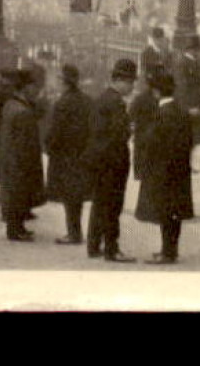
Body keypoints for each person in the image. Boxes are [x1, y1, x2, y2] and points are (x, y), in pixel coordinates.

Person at [135, 73, 195, 265]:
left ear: (156, 92)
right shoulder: (179, 111)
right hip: (178, 170)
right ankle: (170, 250)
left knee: (165, 212)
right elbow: (188, 141)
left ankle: (167, 253)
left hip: (162, 171)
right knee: (174, 213)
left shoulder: (162, 114)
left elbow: (151, 142)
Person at [82, 58, 138, 263]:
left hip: (99, 159)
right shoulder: (115, 103)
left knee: (99, 203)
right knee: (112, 206)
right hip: (112, 161)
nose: (132, 86)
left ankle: (94, 245)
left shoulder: (102, 98)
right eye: (130, 82)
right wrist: (129, 129)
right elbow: (119, 133)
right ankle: (112, 249)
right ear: (119, 80)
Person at [43, 64, 93, 245]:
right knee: (77, 195)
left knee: (69, 196)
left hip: (65, 156)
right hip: (82, 154)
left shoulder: (62, 103)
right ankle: (76, 231)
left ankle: (73, 233)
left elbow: (55, 132)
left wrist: (48, 147)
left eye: (58, 79)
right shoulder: (87, 100)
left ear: (64, 82)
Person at [0, 69, 46, 242]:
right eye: (33, 86)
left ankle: (18, 227)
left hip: (10, 157)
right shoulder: (22, 111)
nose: (36, 90)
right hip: (20, 159)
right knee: (19, 192)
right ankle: (15, 229)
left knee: (15, 192)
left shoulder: (11, 104)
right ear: (25, 87)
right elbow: (25, 142)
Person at [174, 36, 200, 144]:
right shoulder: (183, 63)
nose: (198, 52)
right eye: (197, 49)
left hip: (197, 102)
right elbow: (182, 86)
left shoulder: (194, 62)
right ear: (192, 49)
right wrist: (188, 106)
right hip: (191, 103)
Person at [129, 65, 159, 179]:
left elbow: (131, 115)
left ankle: (140, 173)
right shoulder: (160, 98)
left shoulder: (140, 98)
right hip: (153, 135)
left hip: (142, 135)